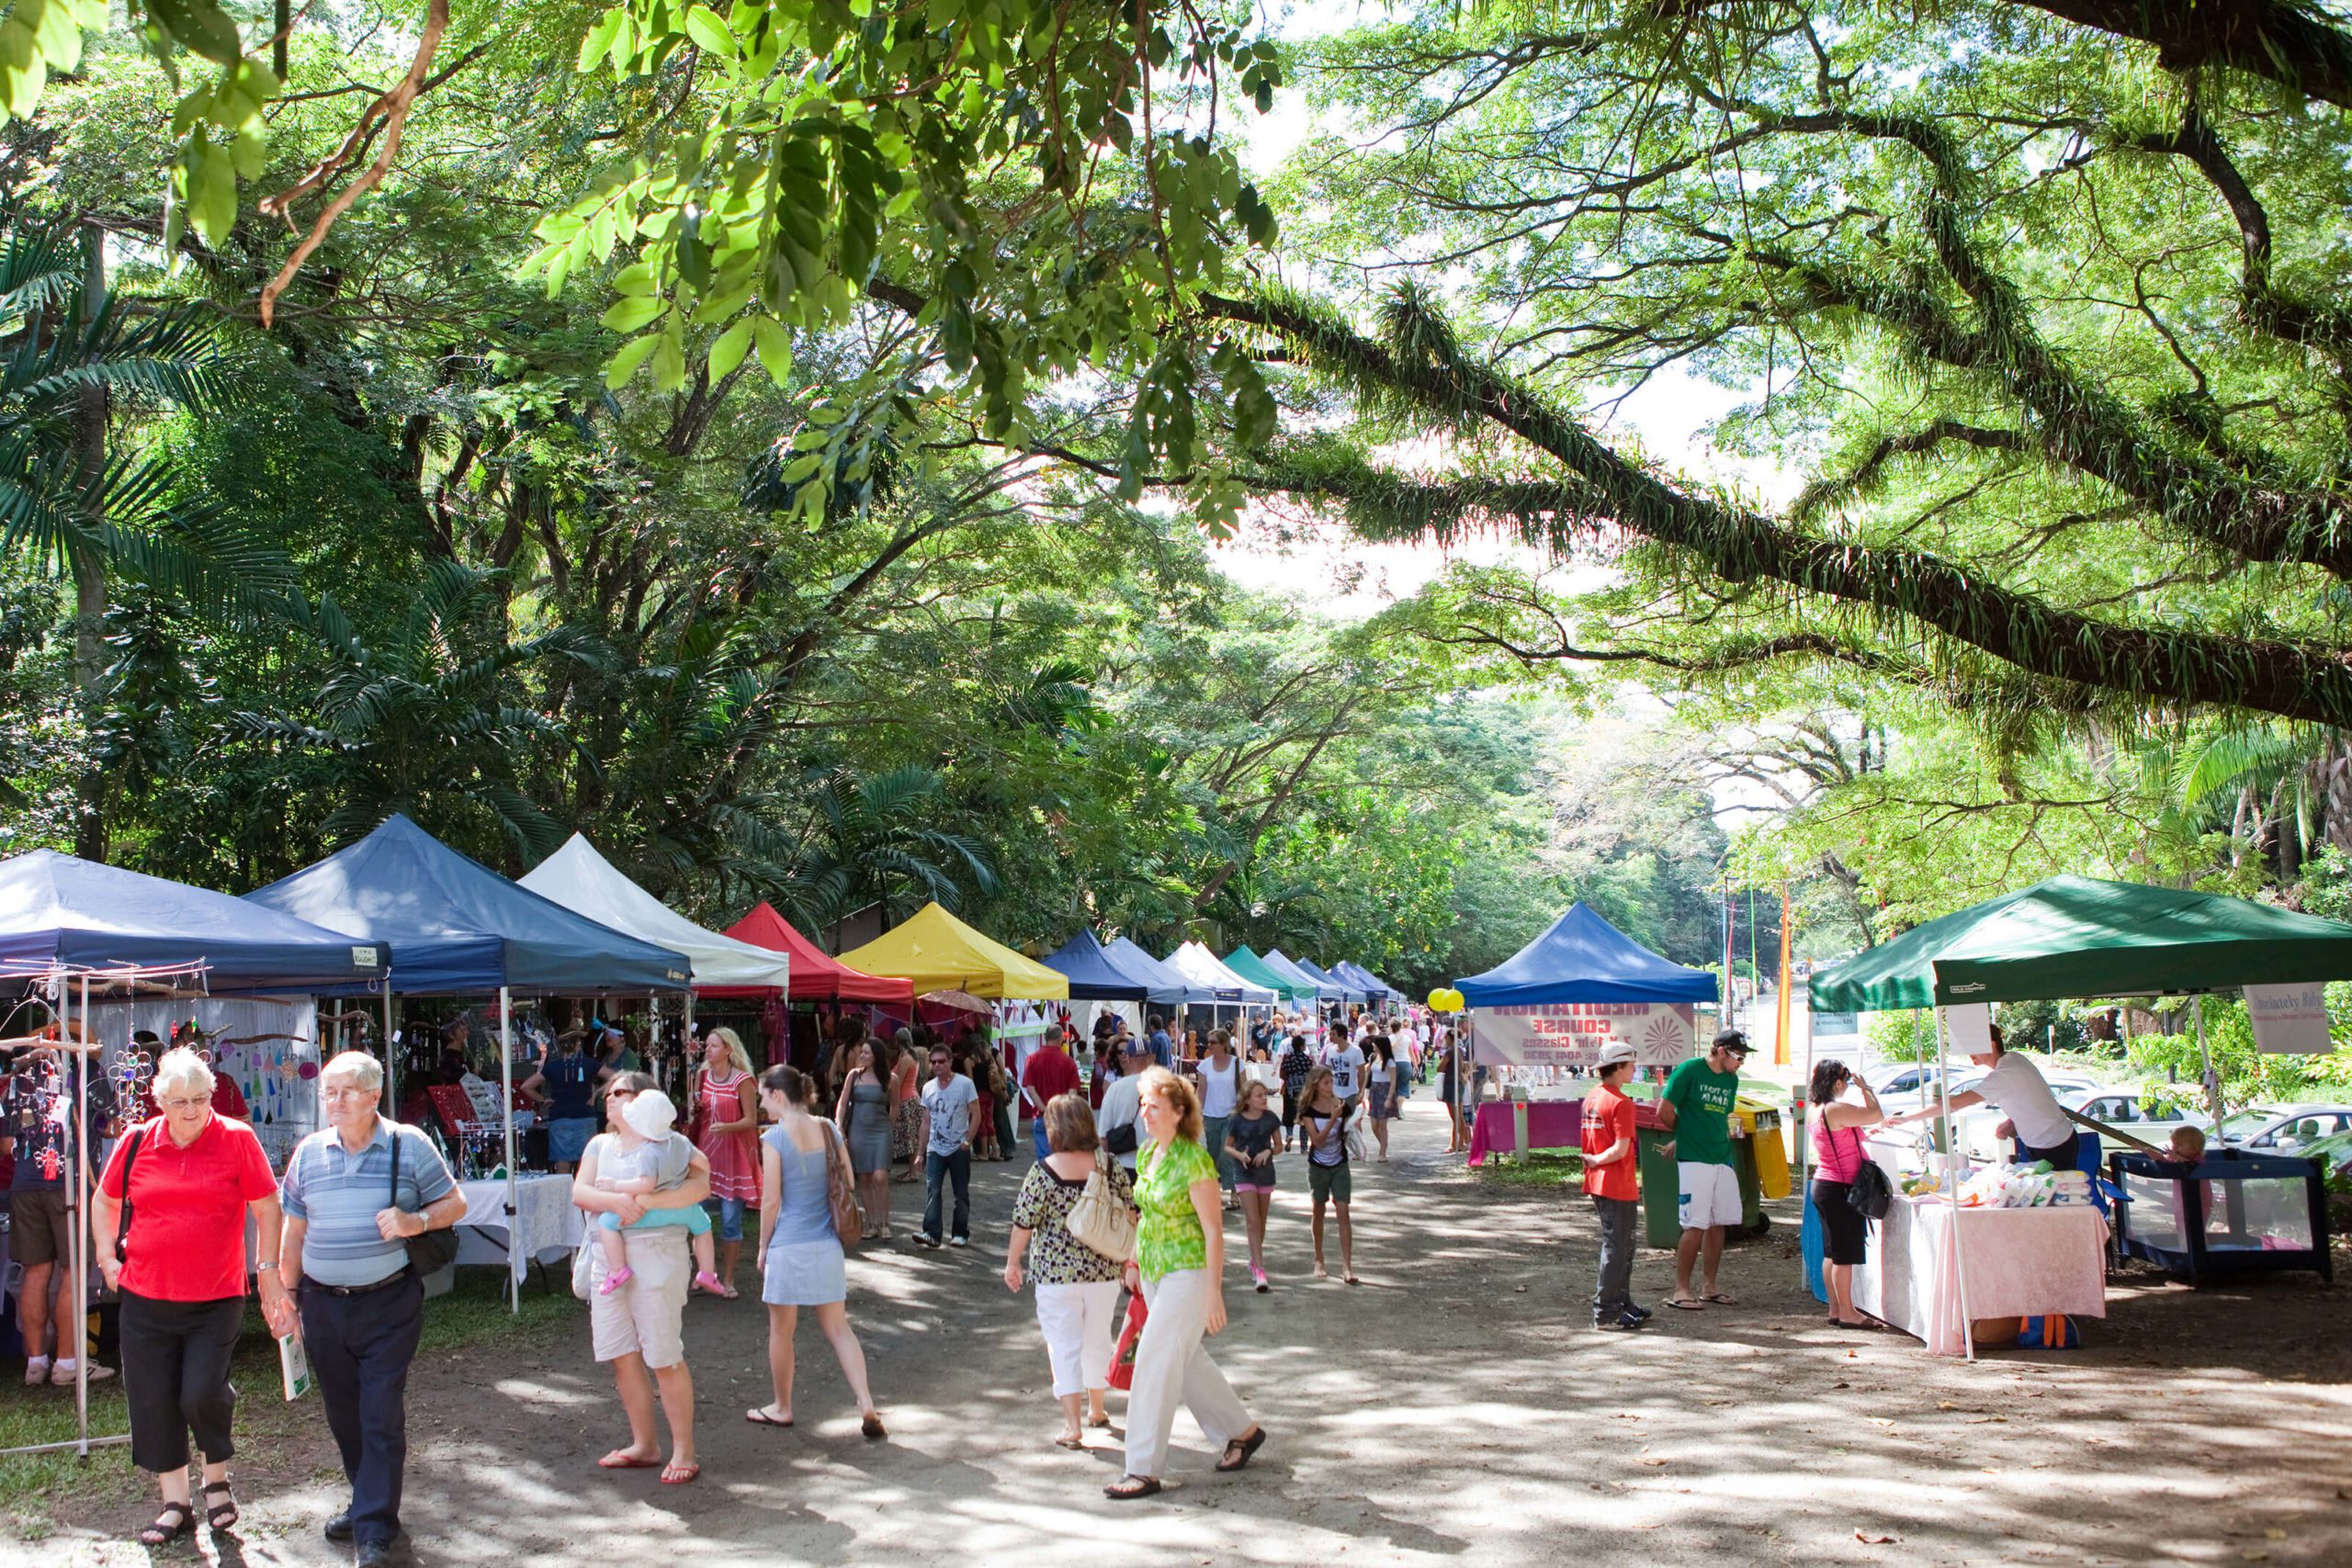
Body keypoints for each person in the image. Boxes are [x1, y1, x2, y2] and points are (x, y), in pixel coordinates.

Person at [89, 1048, 290, 1546]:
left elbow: (268, 1208)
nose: (191, 1110)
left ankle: (216, 1478)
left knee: (201, 1391)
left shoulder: (237, 1139)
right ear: (160, 1102)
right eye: (179, 1101)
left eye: (200, 1099)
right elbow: (105, 1200)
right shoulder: (137, 1141)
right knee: (153, 1398)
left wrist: (267, 1271)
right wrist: (107, 1259)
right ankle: (175, 1502)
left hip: (215, 1296)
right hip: (145, 1296)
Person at [277, 1052, 468, 1565]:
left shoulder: (410, 1145)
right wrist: (285, 1295)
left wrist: (414, 1221)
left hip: (388, 1301)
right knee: (344, 1413)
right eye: (328, 1093)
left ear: (373, 1095)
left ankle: (375, 1530)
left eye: (346, 1092)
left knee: (379, 1411)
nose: (334, 1102)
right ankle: (368, 1502)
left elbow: (456, 1205)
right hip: (321, 1304)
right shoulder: (309, 1153)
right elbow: (292, 1232)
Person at [1105, 1068, 1265, 1500]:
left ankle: (1141, 1468)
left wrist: (1214, 1293)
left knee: (1154, 1363)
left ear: (1179, 1112)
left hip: (1190, 1274)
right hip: (1157, 1272)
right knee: (1188, 1360)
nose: (1146, 1112)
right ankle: (1242, 1432)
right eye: (1144, 1104)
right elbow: (1144, 1215)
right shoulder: (1146, 1154)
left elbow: (1214, 1231)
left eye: (1154, 1106)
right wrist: (1134, 1259)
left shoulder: (1195, 1159)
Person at [572, 1072, 708, 1485]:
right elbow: (580, 1191)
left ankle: (684, 1449)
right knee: (621, 1353)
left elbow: (703, 1182)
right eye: (608, 1093)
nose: (610, 1099)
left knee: (663, 1354)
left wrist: (648, 1202)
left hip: (656, 1251)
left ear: (642, 1100)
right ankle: (644, 1444)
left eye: (620, 1092)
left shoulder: (670, 1144)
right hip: (608, 1256)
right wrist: (618, 1201)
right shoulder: (599, 1144)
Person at [747, 1066, 887, 1438]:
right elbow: (850, 1181)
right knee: (840, 1330)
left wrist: (762, 1246)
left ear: (778, 1095)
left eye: (763, 1096)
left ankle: (782, 1406)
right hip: (827, 1244)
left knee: (781, 1332)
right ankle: (866, 1402)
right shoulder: (828, 1127)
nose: (761, 1104)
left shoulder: (774, 1138)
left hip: (789, 1246)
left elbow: (771, 1199)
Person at [1001, 1093, 1132, 1448]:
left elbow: (1023, 1222)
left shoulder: (1043, 1170)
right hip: (1104, 1271)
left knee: (1063, 1346)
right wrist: (1127, 1259)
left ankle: (1072, 1426)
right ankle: (1098, 1408)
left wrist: (1014, 1262)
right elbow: (1131, 1211)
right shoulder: (1107, 1165)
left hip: (1056, 1276)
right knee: (1097, 1339)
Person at [2, 1038, 117, 1387]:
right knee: (73, 1272)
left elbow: (6, 1145)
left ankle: (35, 1362)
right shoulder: (90, 1071)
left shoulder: (20, 1079)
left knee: (35, 1271)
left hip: (25, 1183)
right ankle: (67, 1362)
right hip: (71, 1182)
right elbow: (110, 1126)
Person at [1883, 1024, 2078, 1168]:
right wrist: (2012, 1121)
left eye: (1973, 1047)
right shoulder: (2015, 1060)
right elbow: (2030, 1097)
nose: (1970, 1054)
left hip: (2054, 1146)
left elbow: (1954, 1104)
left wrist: (1906, 1118)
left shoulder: (2004, 1074)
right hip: (2045, 1142)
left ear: (1991, 1045)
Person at [589, 1089, 724, 1296]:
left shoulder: (648, 1151)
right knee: (703, 1226)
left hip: (651, 1209)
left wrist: (615, 1185)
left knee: (607, 1223)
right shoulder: (680, 1141)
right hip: (684, 1207)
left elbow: (646, 1185)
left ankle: (617, 1270)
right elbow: (702, 1162)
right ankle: (707, 1272)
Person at [1658, 1029, 1751, 1311]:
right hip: (1695, 1159)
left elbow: (1715, 1116)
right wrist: (1685, 1137)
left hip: (1721, 1157)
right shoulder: (1690, 1070)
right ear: (1721, 1051)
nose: (1740, 1063)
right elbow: (1665, 1111)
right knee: (1694, 1224)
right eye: (1738, 1056)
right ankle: (1681, 1289)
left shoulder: (1731, 1080)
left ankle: (1709, 1287)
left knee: (1717, 1223)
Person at [1807, 1058, 1885, 1329]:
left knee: (1832, 1252)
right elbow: (1876, 1114)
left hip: (1825, 1185)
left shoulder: (1816, 1110)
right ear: (1838, 1082)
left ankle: (1836, 1308)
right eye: (1847, 1082)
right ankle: (1849, 1312)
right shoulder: (1835, 1109)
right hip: (1839, 1186)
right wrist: (1867, 1090)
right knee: (1844, 1255)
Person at [1579, 1043, 1647, 1332]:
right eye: (1631, 1064)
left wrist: (1594, 1160)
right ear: (1618, 1067)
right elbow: (1620, 1149)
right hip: (1615, 1182)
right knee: (1618, 1247)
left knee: (1623, 1246)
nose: (1634, 1069)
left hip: (1601, 1182)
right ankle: (1606, 1311)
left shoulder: (1592, 1097)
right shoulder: (1621, 1103)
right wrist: (1598, 1159)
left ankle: (1621, 1303)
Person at [691, 1026, 761, 1297]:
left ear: (729, 1050)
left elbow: (751, 1120)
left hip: (732, 1157)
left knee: (731, 1221)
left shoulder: (742, 1080)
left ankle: (728, 1279)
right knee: (696, 1218)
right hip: (706, 1155)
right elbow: (698, 1110)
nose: (708, 1050)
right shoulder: (702, 1076)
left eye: (714, 1046)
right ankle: (704, 1274)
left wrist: (728, 1127)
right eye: (707, 1046)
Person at [913, 1042, 980, 1247]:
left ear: (950, 1061)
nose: (937, 1065)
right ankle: (932, 1233)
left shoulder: (965, 1084)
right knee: (933, 1189)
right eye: (933, 1062)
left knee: (960, 1192)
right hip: (935, 1147)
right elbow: (926, 1121)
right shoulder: (928, 1088)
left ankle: (960, 1232)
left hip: (958, 1146)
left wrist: (968, 1140)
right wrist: (920, 1152)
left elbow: (976, 1114)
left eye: (941, 1061)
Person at [1296, 1066, 1357, 1283]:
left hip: (1340, 1163)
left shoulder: (1339, 1104)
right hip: (1318, 1165)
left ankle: (1347, 1266)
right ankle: (1319, 1258)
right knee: (1318, 1209)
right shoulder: (1308, 1110)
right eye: (1325, 1083)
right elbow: (1317, 1141)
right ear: (1315, 1085)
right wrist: (1333, 1119)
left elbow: (1350, 1124)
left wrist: (1352, 1121)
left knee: (1343, 1210)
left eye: (1331, 1082)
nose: (1330, 1087)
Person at [832, 1037, 896, 1239]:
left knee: (880, 1176)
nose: (862, 1055)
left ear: (877, 1056)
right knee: (865, 1178)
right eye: (862, 1052)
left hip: (881, 1130)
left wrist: (890, 1126)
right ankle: (872, 1223)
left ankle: (885, 1222)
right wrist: (839, 1126)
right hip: (858, 1130)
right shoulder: (854, 1075)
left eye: (866, 1052)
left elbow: (895, 1105)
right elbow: (842, 1104)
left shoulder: (890, 1078)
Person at [519, 1033, 608, 1174]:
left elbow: (526, 1086)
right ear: (577, 1045)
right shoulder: (589, 1064)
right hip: (585, 1116)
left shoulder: (552, 1067)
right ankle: (584, 1193)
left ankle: (563, 1193)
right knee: (587, 1160)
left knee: (562, 1159)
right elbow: (617, 1076)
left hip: (560, 1118)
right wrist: (597, 1093)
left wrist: (543, 1099)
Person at [1224, 1079, 1282, 1292]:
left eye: (1265, 1094)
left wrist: (1268, 1151)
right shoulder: (1236, 1120)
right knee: (1253, 1221)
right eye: (1259, 1095)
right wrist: (1240, 1155)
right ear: (1247, 1100)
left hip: (1265, 1173)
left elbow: (1279, 1146)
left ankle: (1253, 1259)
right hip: (1244, 1173)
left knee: (1262, 1222)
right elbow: (1227, 1147)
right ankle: (1260, 1269)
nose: (1264, 1098)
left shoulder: (1271, 1119)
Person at [1192, 1028, 1244, 1207]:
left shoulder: (1237, 1064)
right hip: (1210, 1116)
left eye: (1213, 1042)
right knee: (1212, 1155)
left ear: (1224, 1044)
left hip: (1231, 1115)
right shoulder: (1205, 1065)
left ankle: (1234, 1192)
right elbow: (1202, 1092)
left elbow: (1243, 1091)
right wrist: (1196, 1114)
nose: (1209, 1045)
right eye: (1209, 1042)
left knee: (1227, 1153)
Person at [1021, 1023, 1082, 1163]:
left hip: (1041, 1115)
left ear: (1045, 1038)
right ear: (1061, 1039)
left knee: (1043, 1160)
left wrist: (1044, 1109)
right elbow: (1072, 1094)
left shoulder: (1032, 1059)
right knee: (1061, 1159)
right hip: (1061, 1116)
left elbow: (1030, 1089)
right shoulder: (1069, 1062)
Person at [1096, 1036, 1153, 1172]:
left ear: (1128, 1057)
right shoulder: (1164, 1088)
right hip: (1153, 1166)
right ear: (1150, 1057)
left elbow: (1103, 1138)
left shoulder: (1115, 1089)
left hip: (1122, 1166)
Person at [888, 1029, 923, 1184]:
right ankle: (913, 1170)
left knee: (910, 1137)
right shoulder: (911, 1057)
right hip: (913, 1098)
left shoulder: (905, 1059)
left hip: (906, 1100)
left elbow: (898, 1082)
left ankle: (913, 1171)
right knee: (913, 1137)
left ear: (897, 1041)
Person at [1277, 1032, 1313, 1152]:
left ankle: (1289, 1135)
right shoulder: (1307, 1059)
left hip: (1290, 1089)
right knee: (1304, 1117)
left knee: (1289, 1113)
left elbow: (1282, 1074)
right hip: (1304, 1091)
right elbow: (1311, 1075)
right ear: (1302, 1046)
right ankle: (1303, 1146)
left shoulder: (1287, 1058)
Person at [1364, 1036, 1399, 1160]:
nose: (1373, 1046)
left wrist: (1389, 1097)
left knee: (1382, 1124)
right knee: (1374, 1125)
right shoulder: (1373, 1057)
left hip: (1385, 1091)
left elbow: (1393, 1080)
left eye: (1375, 1044)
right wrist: (1364, 1091)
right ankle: (1383, 1143)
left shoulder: (1389, 1061)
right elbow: (1367, 1075)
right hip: (1374, 1090)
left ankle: (1382, 1152)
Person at [1323, 1024, 1366, 1113]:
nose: (1331, 1037)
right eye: (1330, 1034)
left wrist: (1360, 1092)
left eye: (1334, 1034)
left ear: (1342, 1035)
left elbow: (1362, 1073)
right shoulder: (1330, 1050)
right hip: (1334, 1093)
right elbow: (1328, 1071)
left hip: (1351, 1092)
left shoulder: (1356, 1051)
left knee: (1349, 1122)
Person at [1438, 1028, 1465, 1153]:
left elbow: (1440, 1067)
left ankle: (1456, 1144)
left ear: (1450, 1038)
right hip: (1459, 1083)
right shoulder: (1460, 1050)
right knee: (1459, 1115)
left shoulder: (1449, 1052)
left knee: (1455, 1116)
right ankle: (1460, 1142)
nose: (1444, 1039)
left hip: (1451, 1084)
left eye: (1445, 1037)